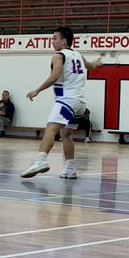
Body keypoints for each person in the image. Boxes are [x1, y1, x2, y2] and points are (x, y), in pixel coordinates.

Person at [20, 28, 101, 179]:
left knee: (50, 129)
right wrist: (96, 63)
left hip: (67, 100)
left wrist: (37, 90)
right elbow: (90, 66)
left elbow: (55, 76)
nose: (52, 41)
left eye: (55, 38)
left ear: (64, 41)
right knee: (66, 133)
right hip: (80, 103)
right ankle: (70, 169)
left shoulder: (58, 56)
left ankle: (41, 161)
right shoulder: (77, 55)